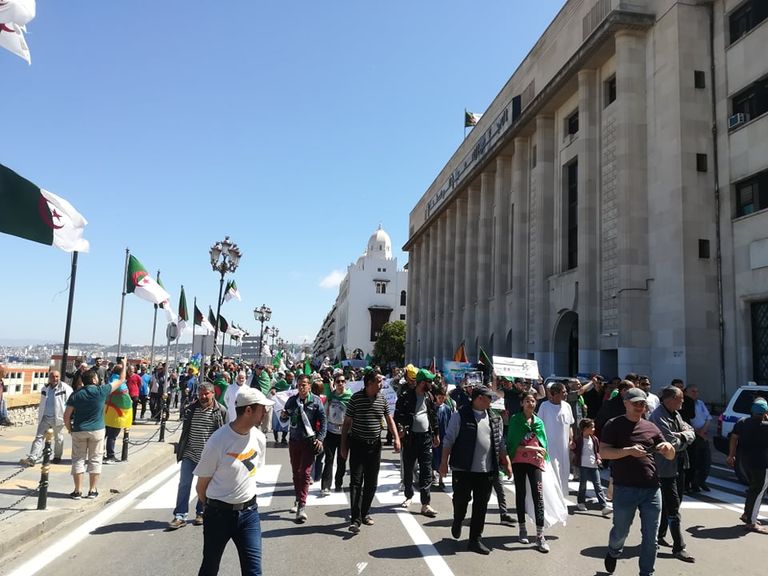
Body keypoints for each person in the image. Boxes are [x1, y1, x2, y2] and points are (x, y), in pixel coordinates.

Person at [194, 386, 273, 576]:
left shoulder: (259, 438)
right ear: (248, 410)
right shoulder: (218, 441)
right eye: (262, 408)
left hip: (249, 514)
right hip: (218, 515)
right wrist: (214, 507)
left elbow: (253, 472)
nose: (266, 412)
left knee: (254, 571)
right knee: (210, 567)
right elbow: (201, 486)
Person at [599, 388, 676, 576]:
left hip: (651, 488)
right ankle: (613, 551)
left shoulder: (650, 426)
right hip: (625, 488)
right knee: (621, 532)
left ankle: (646, 573)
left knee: (651, 537)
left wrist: (667, 447)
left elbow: (671, 454)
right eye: (636, 403)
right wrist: (628, 451)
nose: (640, 407)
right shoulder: (614, 425)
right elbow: (604, 452)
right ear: (626, 403)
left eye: (643, 404)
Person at [440, 385, 511, 555]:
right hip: (463, 469)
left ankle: (475, 540)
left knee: (481, 506)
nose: (492, 402)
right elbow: (449, 440)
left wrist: (506, 460)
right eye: (489, 398)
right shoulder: (460, 416)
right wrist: (443, 462)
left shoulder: (495, 418)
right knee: (461, 501)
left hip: (486, 471)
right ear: (479, 398)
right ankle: (458, 520)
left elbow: (500, 442)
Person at [341, 370, 401, 533]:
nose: (381, 384)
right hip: (357, 444)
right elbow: (347, 424)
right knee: (356, 482)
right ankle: (355, 519)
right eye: (379, 382)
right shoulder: (356, 399)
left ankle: (364, 512)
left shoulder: (382, 399)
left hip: (374, 446)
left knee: (371, 483)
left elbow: (389, 419)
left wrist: (396, 437)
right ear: (369, 383)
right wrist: (343, 446)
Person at [168, 382, 227, 530]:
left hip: (208, 457)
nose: (203, 396)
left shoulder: (220, 411)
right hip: (189, 453)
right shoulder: (191, 409)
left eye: (206, 393)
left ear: (213, 394)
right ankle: (180, 515)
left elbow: (225, 434)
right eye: (201, 393)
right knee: (184, 485)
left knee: (205, 486)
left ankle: (201, 512)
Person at [64, 364, 126, 499]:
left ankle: (77, 490)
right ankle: (92, 490)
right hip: (97, 430)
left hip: (79, 430)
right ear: (93, 380)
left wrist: (70, 429)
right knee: (95, 459)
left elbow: (66, 416)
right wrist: (124, 364)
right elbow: (121, 380)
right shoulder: (101, 391)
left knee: (78, 460)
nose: (98, 379)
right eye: (97, 377)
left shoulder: (76, 394)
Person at [648, 386, 696, 562]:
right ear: (669, 399)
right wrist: (684, 437)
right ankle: (679, 547)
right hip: (665, 468)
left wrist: (683, 435)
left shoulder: (675, 413)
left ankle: (659, 535)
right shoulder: (658, 416)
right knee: (673, 506)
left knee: (673, 504)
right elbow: (671, 443)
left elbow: (690, 430)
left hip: (678, 464)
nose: (683, 401)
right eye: (680, 398)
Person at [280, 374, 326, 523]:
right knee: (295, 472)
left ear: (309, 386)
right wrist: (283, 415)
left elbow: (323, 421)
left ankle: (302, 505)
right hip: (294, 441)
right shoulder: (292, 401)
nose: (301, 387)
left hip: (309, 442)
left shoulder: (316, 401)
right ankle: (298, 497)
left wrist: (320, 439)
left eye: (304, 385)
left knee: (305, 472)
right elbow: (283, 419)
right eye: (299, 385)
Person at [395, 368, 439, 517]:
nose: (431, 384)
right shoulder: (406, 396)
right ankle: (408, 495)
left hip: (426, 438)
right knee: (408, 469)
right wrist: (400, 429)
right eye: (429, 381)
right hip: (410, 438)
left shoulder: (429, 397)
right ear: (421, 383)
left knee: (426, 470)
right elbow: (398, 415)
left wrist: (436, 434)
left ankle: (425, 504)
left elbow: (433, 416)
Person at [727, 396, 768, 533]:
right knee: (758, 491)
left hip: (746, 461)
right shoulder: (765, 426)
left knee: (752, 488)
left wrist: (731, 455)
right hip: (762, 463)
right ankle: (751, 522)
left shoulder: (742, 422)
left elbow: (734, 438)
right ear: (765, 412)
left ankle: (747, 514)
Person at [20, 370, 72, 466]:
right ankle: (32, 457)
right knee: (38, 438)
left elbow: (71, 402)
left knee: (58, 438)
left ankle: (57, 456)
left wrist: (69, 417)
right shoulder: (45, 388)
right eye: (53, 377)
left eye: (57, 376)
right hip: (45, 417)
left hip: (58, 417)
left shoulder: (65, 388)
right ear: (49, 377)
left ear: (59, 377)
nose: (55, 379)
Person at [537, 381, 574, 498]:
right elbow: (538, 426)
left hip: (564, 447)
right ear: (554, 394)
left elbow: (570, 425)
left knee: (564, 472)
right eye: (563, 392)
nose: (566, 394)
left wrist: (571, 440)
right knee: (552, 472)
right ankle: (551, 499)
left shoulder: (567, 406)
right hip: (549, 448)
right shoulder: (544, 406)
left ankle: (561, 498)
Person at [321, 371, 352, 494]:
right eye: (338, 381)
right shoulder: (330, 396)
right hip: (330, 431)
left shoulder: (350, 397)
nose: (340, 383)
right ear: (335, 383)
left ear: (345, 383)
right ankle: (325, 486)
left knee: (342, 460)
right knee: (329, 458)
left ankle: (338, 483)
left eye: (342, 381)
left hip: (345, 433)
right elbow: (324, 412)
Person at [573, 418, 611, 515]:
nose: (594, 429)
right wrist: (572, 447)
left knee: (598, 486)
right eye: (592, 427)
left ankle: (603, 507)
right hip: (583, 465)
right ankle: (581, 502)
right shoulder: (579, 439)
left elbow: (596, 452)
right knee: (583, 485)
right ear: (585, 428)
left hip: (594, 465)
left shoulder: (594, 439)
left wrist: (598, 458)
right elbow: (575, 450)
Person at [681, 384, 712, 492]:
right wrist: (698, 433)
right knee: (695, 461)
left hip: (703, 435)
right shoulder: (685, 404)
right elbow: (687, 421)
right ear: (686, 393)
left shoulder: (700, 403)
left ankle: (701, 481)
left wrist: (703, 431)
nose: (695, 393)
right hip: (694, 435)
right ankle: (692, 483)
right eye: (693, 391)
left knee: (706, 461)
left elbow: (708, 418)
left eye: (697, 391)